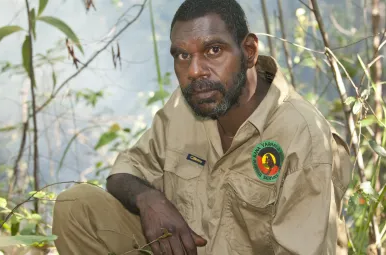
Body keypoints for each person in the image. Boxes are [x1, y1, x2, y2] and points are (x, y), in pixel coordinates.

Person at [52, 0, 352, 254]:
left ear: (248, 51)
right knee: (77, 206)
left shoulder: (303, 134)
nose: (195, 71)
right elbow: (123, 173)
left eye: (213, 51)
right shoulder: (188, 105)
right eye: (183, 56)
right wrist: (149, 200)